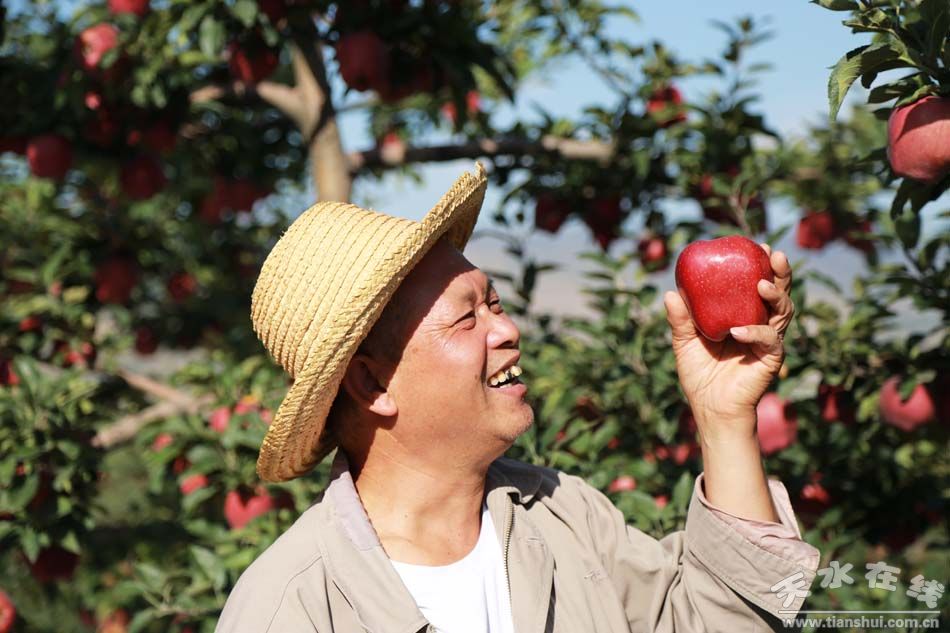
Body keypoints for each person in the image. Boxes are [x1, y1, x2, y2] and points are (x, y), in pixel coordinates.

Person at [216, 164, 819, 633]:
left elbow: (728, 620)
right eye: (465, 319)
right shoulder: (293, 607)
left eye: (495, 303)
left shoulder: (567, 518)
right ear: (374, 385)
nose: (506, 331)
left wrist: (723, 417)